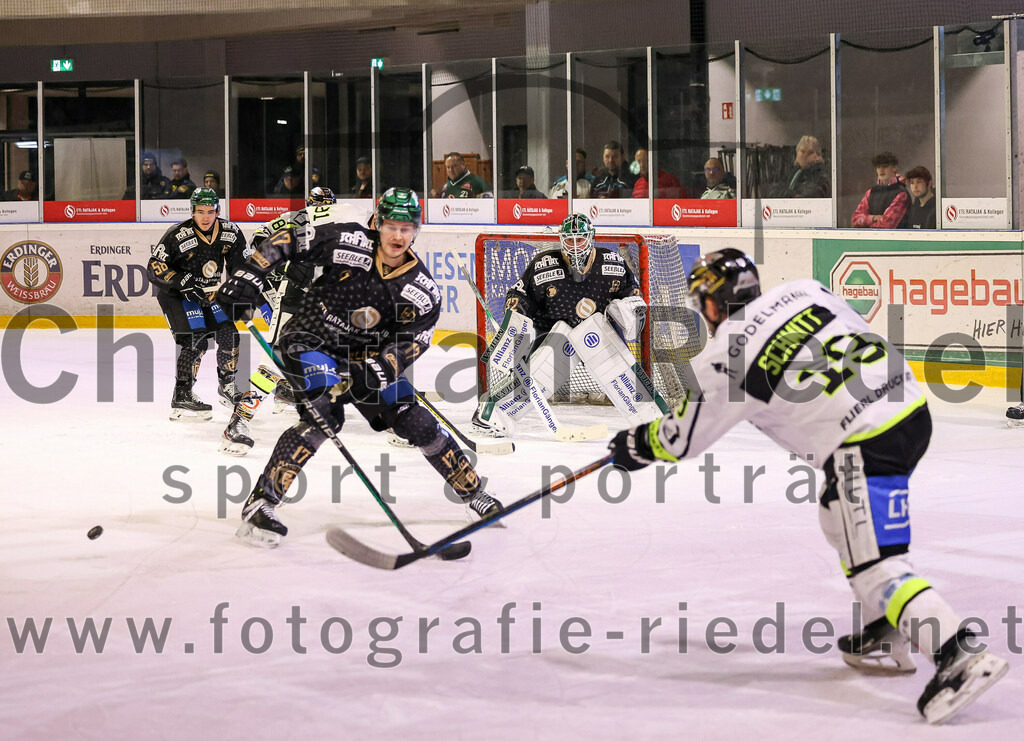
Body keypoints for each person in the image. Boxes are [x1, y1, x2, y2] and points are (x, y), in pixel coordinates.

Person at [608, 249, 1009, 726]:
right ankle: (887, 628)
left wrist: (637, 444)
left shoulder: (725, 355)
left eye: (703, 303)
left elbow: (684, 439)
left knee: (877, 567)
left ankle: (958, 655)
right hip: (909, 409)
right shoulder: (804, 289)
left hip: (864, 440)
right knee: (835, 514)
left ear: (713, 304)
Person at [215, 187, 504, 546]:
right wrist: (250, 276)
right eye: (392, 226)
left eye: (407, 227)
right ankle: (262, 502)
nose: (398, 235)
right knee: (325, 415)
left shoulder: (421, 288)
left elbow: (414, 341)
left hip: (365, 357)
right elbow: (288, 240)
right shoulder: (348, 240)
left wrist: (378, 370)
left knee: (415, 420)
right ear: (378, 223)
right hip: (311, 339)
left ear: (416, 230)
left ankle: (473, 493)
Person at [471, 212, 650, 438]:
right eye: (569, 240)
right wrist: (514, 323)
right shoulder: (544, 265)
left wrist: (631, 310)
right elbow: (519, 295)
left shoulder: (613, 263)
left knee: (614, 364)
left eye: (580, 240)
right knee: (544, 367)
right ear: (561, 240)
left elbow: (632, 295)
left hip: (599, 333)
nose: (575, 246)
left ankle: (651, 417)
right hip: (552, 332)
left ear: (591, 238)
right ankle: (493, 413)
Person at [220, 186, 339, 455]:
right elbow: (257, 243)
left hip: (326, 305)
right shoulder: (293, 220)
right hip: (292, 300)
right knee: (273, 363)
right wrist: (283, 266)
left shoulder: (341, 229)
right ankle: (238, 422)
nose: (321, 210)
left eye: (326, 205)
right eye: (317, 205)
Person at [147, 188, 248, 420]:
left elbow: (241, 266)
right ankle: (182, 395)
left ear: (218, 211)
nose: (205, 217)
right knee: (196, 339)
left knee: (229, 335)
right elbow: (154, 267)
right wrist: (183, 281)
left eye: (210, 212)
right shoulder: (177, 234)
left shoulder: (230, 232)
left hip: (209, 294)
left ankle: (227, 386)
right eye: (200, 212)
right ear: (192, 211)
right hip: (178, 295)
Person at [851, 151, 910, 228]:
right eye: (878, 167)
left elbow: (887, 225)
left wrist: (866, 225)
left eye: (885, 166)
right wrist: (874, 218)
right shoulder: (871, 192)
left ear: (895, 167)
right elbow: (855, 219)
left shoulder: (901, 194)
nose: (881, 170)